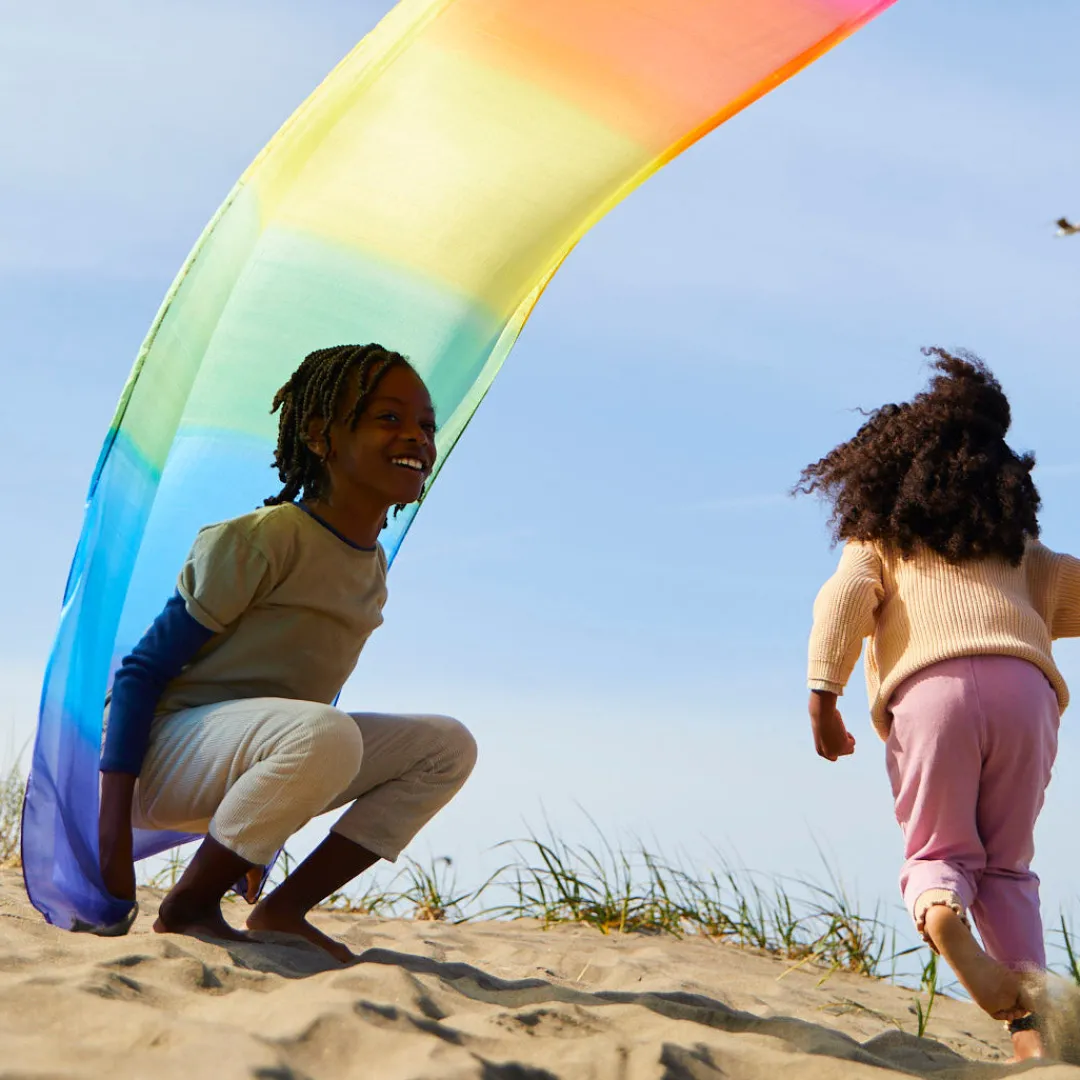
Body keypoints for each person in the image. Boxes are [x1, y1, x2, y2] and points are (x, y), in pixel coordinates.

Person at [97, 343, 477, 963]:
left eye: (427, 426)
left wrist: (265, 826)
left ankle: (282, 909)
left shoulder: (372, 566)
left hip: (268, 751)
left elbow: (303, 696)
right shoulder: (263, 539)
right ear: (321, 437)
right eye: (388, 418)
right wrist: (112, 834)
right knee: (327, 732)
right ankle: (188, 906)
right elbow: (140, 674)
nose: (417, 437)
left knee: (447, 746)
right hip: (163, 756)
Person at [797, 348, 1080, 1061]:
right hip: (1025, 693)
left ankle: (944, 914)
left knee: (939, 851)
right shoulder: (1019, 550)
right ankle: (1034, 1031)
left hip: (930, 695)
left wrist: (824, 696)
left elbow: (844, 600)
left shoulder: (881, 541)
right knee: (1007, 867)